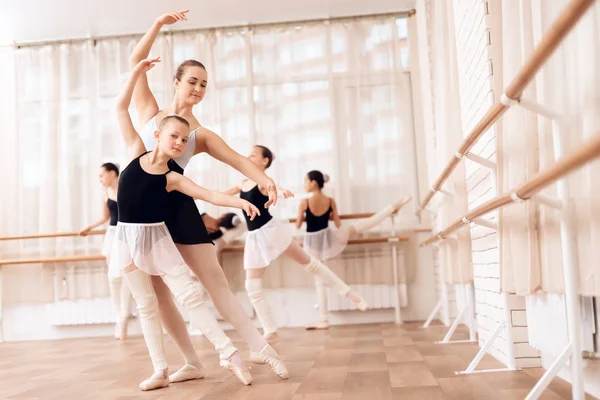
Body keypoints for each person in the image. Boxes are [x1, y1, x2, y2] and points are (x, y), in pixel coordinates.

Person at [130, 9, 288, 386]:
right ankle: (191, 361)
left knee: (213, 281)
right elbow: (135, 63)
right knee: (158, 290)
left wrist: (267, 181)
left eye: (204, 84)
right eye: (193, 82)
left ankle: (259, 346)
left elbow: (236, 159)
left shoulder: (200, 135)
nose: (198, 89)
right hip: (144, 210)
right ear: (177, 82)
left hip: (179, 206)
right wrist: (157, 25)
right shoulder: (151, 113)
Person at [223, 146, 369, 342]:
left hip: (270, 231)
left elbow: (273, 188)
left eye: (253, 155)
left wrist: (282, 192)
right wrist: (194, 194)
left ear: (265, 161)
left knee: (310, 264)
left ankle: (351, 295)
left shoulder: (263, 182)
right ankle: (270, 329)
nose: (248, 156)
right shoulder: (242, 183)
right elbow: (221, 195)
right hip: (254, 237)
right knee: (252, 285)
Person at [297, 170, 412, 329]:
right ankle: (390, 209)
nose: (304, 184)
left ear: (313, 183)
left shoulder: (304, 202)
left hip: (312, 242)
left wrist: (304, 216)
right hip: (328, 238)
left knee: (320, 281)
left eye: (305, 180)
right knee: (358, 226)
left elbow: (297, 224)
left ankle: (324, 319)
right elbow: (337, 224)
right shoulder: (330, 201)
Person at [79, 162, 132, 340]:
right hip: (112, 234)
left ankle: (124, 316)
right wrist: (89, 227)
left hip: (126, 234)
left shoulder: (127, 189)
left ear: (112, 173)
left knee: (126, 276)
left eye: (102, 175)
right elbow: (105, 217)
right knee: (113, 276)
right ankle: (119, 316)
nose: (100, 180)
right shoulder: (105, 193)